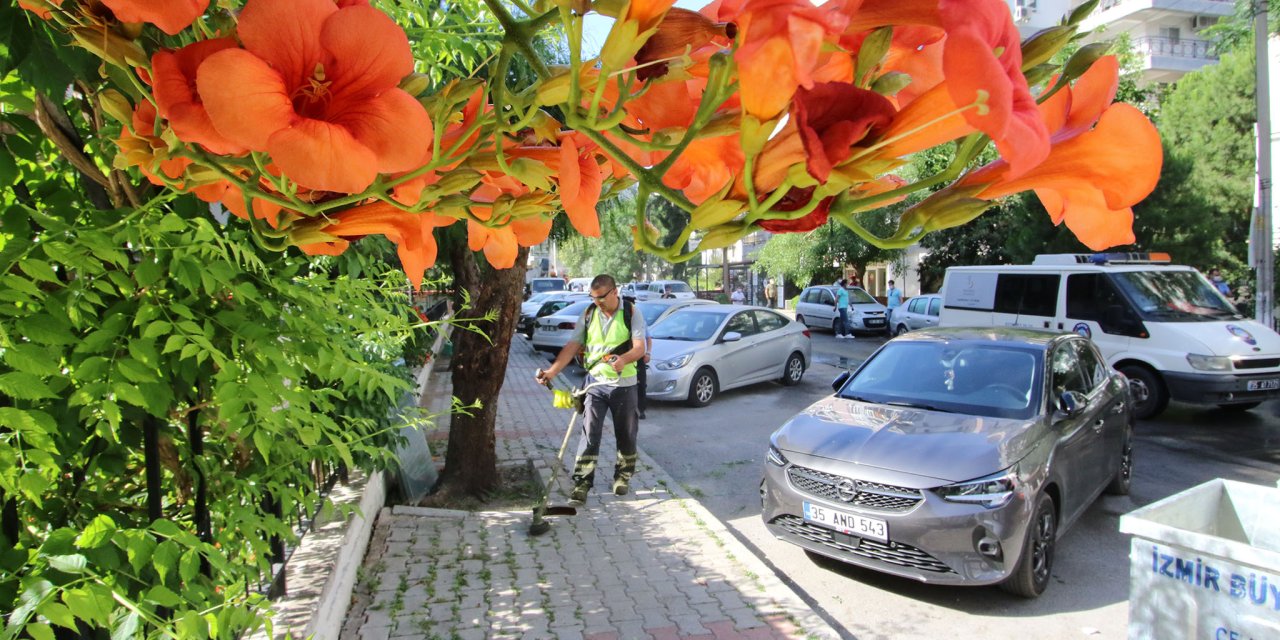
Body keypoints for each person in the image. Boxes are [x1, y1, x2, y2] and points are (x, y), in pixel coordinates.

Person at [535, 275, 647, 503]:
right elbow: (572, 346)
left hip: (624, 385)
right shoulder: (588, 314)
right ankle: (582, 483)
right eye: (593, 298)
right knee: (589, 434)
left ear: (614, 292)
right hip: (595, 385)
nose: (598, 302)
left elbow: (640, 348)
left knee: (626, 434)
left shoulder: (631, 312)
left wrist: (624, 359)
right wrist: (552, 372)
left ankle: (622, 477)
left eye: (601, 298)